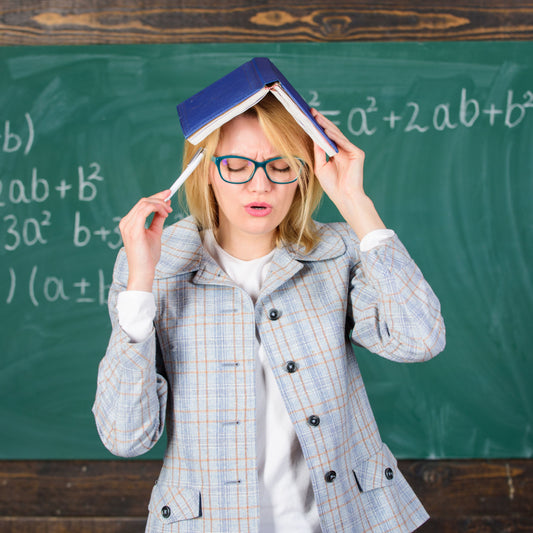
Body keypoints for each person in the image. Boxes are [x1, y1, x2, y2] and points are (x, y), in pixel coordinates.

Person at [93, 89, 445, 532]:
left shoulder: (337, 252)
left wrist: (357, 204)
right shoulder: (153, 266)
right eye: (237, 167)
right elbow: (125, 436)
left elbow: (421, 340)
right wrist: (141, 284)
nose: (259, 185)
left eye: (281, 167)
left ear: (302, 175)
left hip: (340, 520)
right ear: (204, 174)